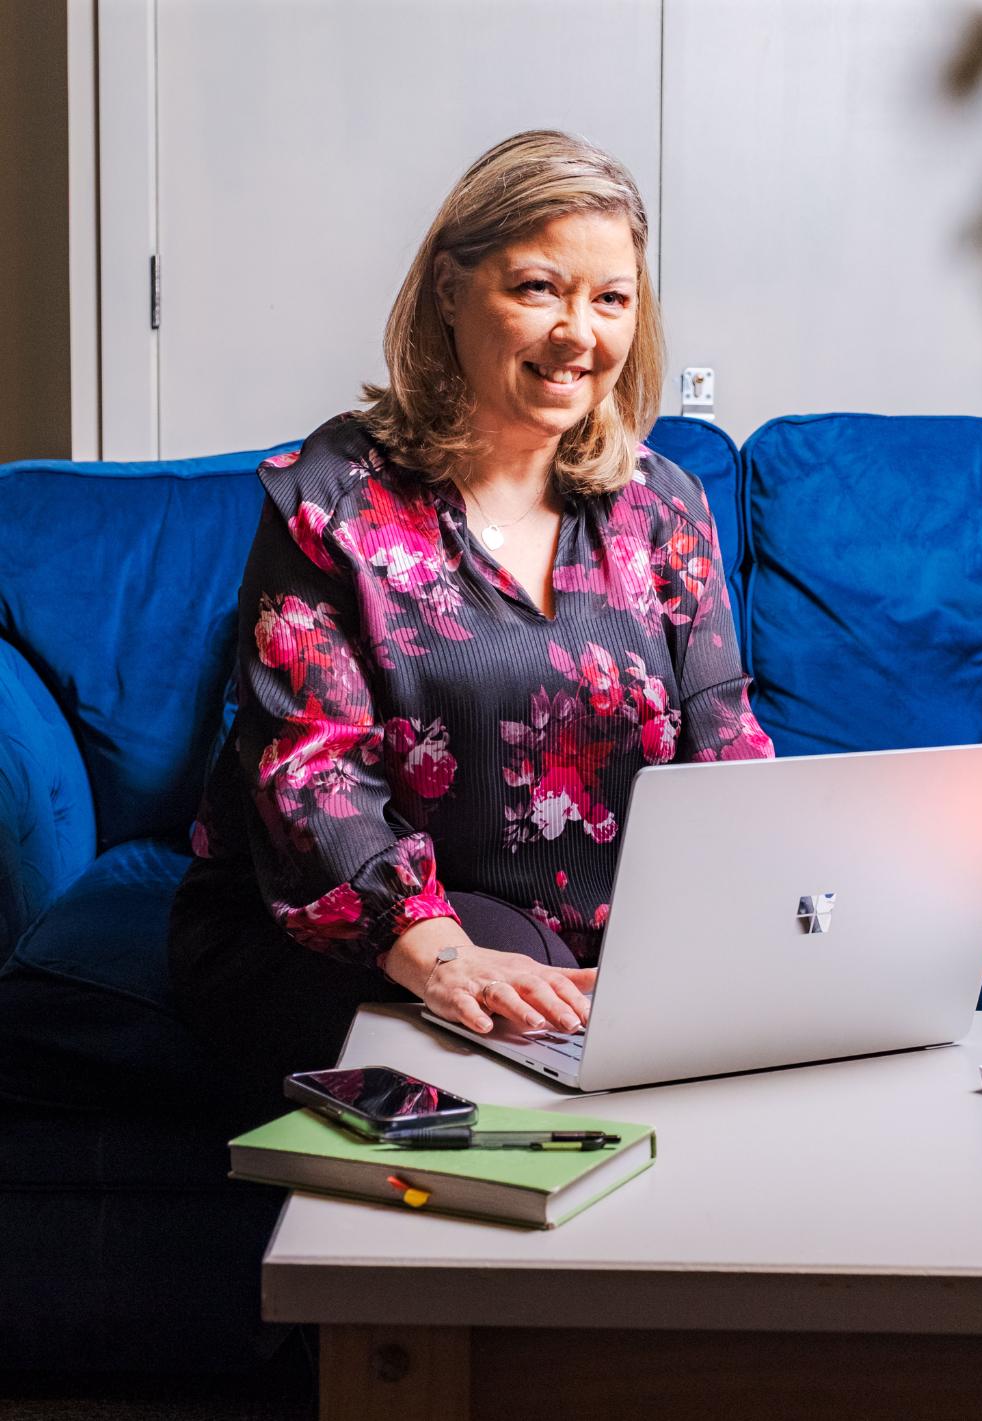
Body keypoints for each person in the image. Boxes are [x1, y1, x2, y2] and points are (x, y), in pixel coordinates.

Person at [169, 129, 773, 1123]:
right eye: (538, 287)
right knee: (523, 995)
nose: (581, 332)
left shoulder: (665, 505)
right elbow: (308, 772)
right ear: (448, 292)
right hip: (343, 925)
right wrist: (440, 950)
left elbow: (722, 731)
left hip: (581, 942)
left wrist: (786, 898)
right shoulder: (333, 498)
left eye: (610, 298)